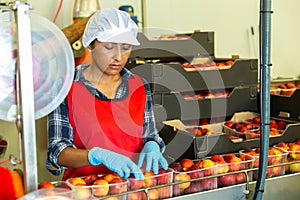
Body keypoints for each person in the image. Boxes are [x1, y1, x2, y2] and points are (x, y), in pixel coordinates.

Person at [46, 8, 168, 181]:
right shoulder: (66, 87)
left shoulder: (139, 86)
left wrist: (152, 144)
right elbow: (58, 151)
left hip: (133, 188)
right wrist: (94, 155)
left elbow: (150, 134)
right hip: (86, 190)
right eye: (109, 47)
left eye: (126, 48)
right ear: (91, 44)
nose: (118, 56)